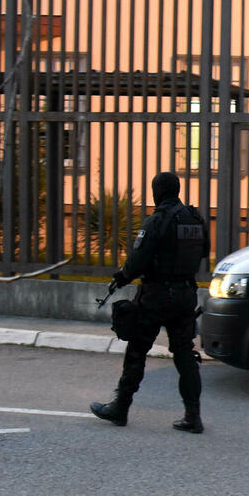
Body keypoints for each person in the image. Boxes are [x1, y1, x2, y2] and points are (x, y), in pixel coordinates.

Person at [91, 171, 210, 434]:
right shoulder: (195, 218)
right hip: (186, 294)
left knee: (137, 351)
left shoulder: (157, 220)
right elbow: (202, 253)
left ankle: (120, 408)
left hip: (157, 296)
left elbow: (138, 260)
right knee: (185, 355)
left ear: (157, 192)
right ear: (177, 191)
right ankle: (193, 416)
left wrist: (122, 277)